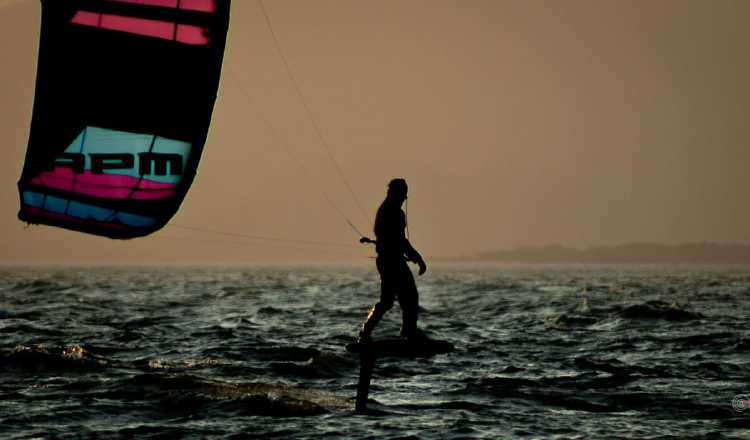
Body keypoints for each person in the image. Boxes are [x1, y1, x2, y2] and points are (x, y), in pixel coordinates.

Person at [358, 178, 427, 343]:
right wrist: (418, 258)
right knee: (409, 297)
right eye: (403, 195)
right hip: (391, 262)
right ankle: (408, 333)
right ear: (396, 193)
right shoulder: (392, 212)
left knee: (388, 301)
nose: (404, 199)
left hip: (389, 260)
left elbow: (397, 240)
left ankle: (366, 333)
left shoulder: (386, 210)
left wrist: (411, 255)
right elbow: (400, 240)